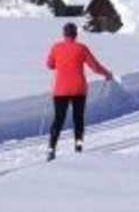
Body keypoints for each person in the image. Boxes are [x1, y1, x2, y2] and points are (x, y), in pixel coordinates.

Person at [45, 22, 114, 159]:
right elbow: (95, 66)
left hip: (61, 90)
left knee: (58, 120)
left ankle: (51, 148)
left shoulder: (56, 47)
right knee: (78, 119)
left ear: (64, 34)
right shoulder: (81, 48)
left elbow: (49, 65)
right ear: (75, 34)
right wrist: (107, 74)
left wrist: (60, 62)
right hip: (79, 89)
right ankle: (78, 146)